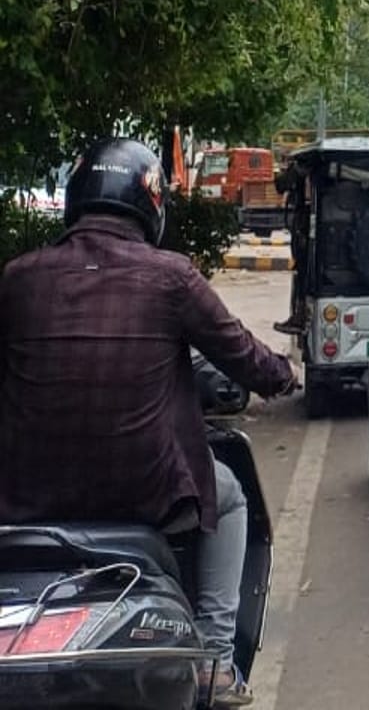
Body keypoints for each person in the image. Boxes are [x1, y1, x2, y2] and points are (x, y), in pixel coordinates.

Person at [0, 138, 297, 707]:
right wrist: (284, 375)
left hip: (26, 499)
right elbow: (242, 354)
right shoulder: (171, 277)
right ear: (152, 206)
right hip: (145, 497)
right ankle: (212, 662)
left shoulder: (18, 278)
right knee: (229, 497)